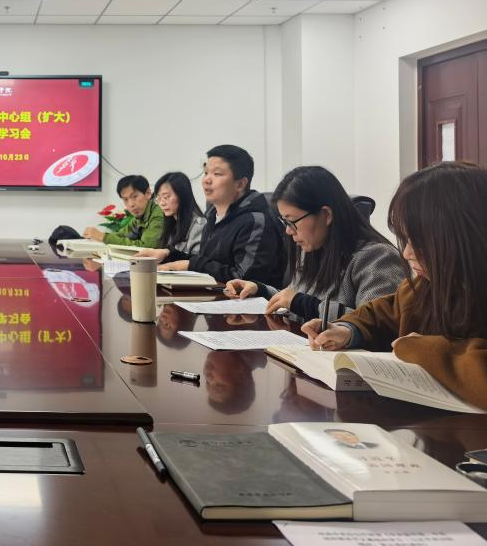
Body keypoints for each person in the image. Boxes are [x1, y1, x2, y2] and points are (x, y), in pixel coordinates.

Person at [302, 162, 487, 411]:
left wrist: (425, 349)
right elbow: (384, 313)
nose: (407, 253)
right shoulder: (424, 286)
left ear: (464, 237)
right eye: (405, 239)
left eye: (419, 241)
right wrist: (347, 330)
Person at [223, 166, 405, 321]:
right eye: (284, 222)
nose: (288, 231)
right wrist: (261, 290)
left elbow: (376, 324)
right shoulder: (314, 248)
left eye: (292, 221)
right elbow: (294, 297)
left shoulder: (377, 257)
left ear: (326, 215)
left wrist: (301, 303)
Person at [161, 145, 286, 286]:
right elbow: (207, 262)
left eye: (217, 174)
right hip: (212, 294)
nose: (206, 180)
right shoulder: (212, 216)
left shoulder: (255, 221)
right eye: (206, 172)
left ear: (240, 184)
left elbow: (243, 280)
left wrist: (191, 265)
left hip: (246, 299)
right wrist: (168, 254)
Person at [133, 171, 206, 261]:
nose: (161, 203)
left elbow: (196, 262)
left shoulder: (199, 225)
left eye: (166, 197)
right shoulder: (171, 222)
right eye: (158, 198)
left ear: (182, 195)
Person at [82, 174, 164, 248]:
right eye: (125, 199)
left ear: (148, 193)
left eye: (134, 196)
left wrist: (103, 237)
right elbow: (121, 235)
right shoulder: (139, 217)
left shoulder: (158, 214)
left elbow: (147, 247)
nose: (131, 204)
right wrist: (97, 236)